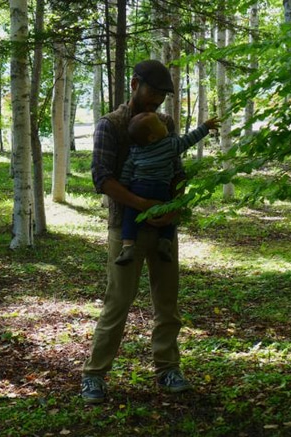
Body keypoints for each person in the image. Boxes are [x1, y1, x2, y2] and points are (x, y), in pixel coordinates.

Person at [82, 59, 193, 404]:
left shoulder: (166, 123)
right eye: (152, 92)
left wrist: (173, 206)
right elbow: (103, 179)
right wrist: (145, 206)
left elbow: (177, 170)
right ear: (134, 84)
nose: (156, 101)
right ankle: (94, 376)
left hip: (165, 229)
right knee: (117, 303)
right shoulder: (110, 125)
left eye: (162, 96)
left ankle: (168, 368)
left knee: (167, 303)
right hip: (125, 229)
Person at [115, 112, 221, 265]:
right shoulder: (170, 145)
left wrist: (125, 187)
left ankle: (128, 246)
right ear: (152, 137)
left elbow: (127, 170)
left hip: (139, 187)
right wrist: (205, 127)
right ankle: (165, 242)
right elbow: (188, 140)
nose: (164, 124)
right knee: (170, 213)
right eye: (159, 123)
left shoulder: (135, 151)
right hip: (162, 189)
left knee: (130, 216)